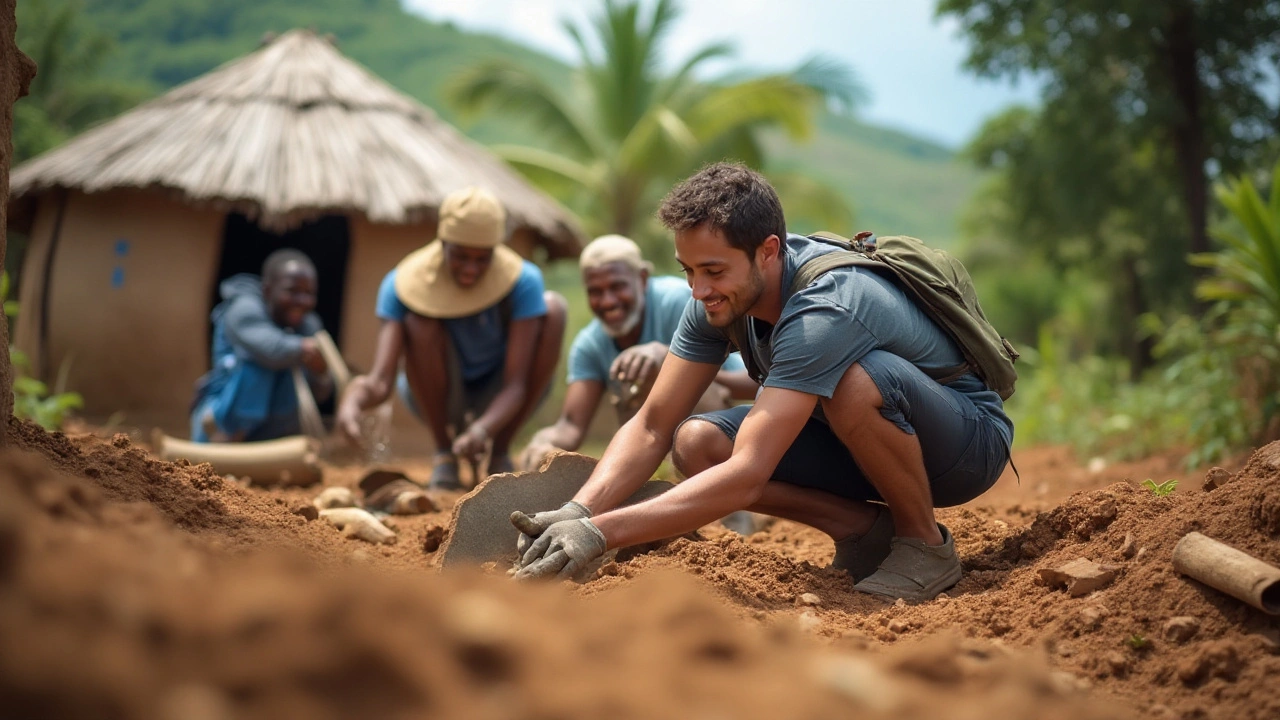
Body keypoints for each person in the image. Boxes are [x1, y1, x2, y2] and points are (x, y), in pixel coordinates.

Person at [510, 162, 1013, 602]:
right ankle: (867, 535)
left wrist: (598, 533)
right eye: (688, 271)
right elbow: (652, 425)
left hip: (963, 446)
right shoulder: (717, 301)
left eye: (713, 270)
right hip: (858, 441)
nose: (699, 290)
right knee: (698, 442)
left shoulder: (825, 308)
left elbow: (750, 472)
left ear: (768, 251)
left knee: (856, 383)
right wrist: (577, 510)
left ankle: (923, 544)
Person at [336, 186, 566, 489]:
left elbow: (516, 385)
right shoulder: (399, 285)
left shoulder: (524, 282)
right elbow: (380, 382)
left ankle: (500, 451)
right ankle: (443, 451)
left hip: (503, 396)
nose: (470, 270)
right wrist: (352, 400)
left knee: (554, 309)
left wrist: (483, 431)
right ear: (442, 242)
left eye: (483, 259)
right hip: (436, 395)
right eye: (459, 256)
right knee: (418, 321)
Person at [517, 234, 756, 472]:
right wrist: (546, 444)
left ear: (642, 279)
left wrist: (669, 361)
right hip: (654, 440)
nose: (608, 301)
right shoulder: (590, 345)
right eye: (595, 291)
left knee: (656, 369)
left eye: (617, 287)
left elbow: (754, 384)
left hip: (723, 427)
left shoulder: (683, 304)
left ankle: (723, 495)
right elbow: (571, 425)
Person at [191, 249, 332, 442]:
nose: (302, 301)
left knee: (291, 373)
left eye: (308, 293)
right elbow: (271, 350)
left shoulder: (308, 324)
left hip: (271, 433)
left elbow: (321, 393)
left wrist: (320, 372)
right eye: (292, 291)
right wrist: (303, 349)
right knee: (259, 364)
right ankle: (226, 441)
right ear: (267, 290)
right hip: (222, 422)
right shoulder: (244, 309)